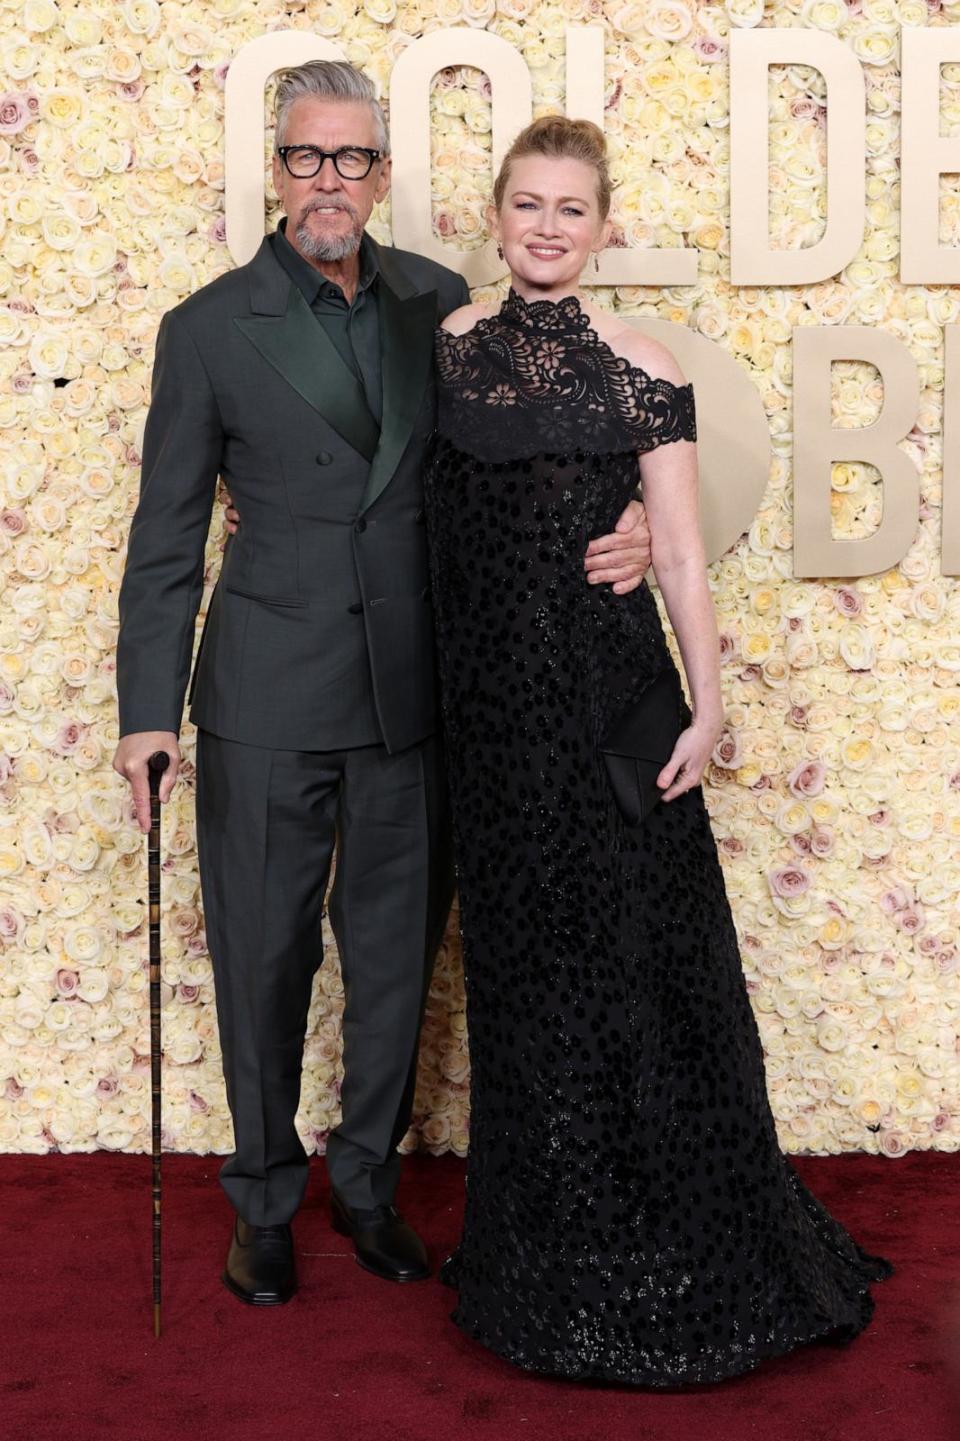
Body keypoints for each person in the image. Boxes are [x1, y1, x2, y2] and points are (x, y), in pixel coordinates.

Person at [112, 62, 651, 1308]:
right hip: (262, 694)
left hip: (415, 690)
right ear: (277, 167)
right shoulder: (206, 327)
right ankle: (262, 1197)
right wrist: (148, 711)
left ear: (383, 174)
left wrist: (628, 518)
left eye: (353, 160)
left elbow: (527, 457)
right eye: (308, 158)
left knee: (397, 956)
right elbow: (165, 536)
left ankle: (365, 1186)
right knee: (262, 954)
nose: (330, 182)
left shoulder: (440, 303)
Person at [417, 116, 893, 1385]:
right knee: (525, 974)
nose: (548, 229)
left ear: (606, 225)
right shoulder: (451, 349)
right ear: (498, 215)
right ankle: (548, 1246)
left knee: (636, 957)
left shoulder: (643, 365)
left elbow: (677, 548)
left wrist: (709, 700)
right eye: (528, 205)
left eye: (573, 210)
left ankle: (675, 1234)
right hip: (494, 725)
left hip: (607, 699)